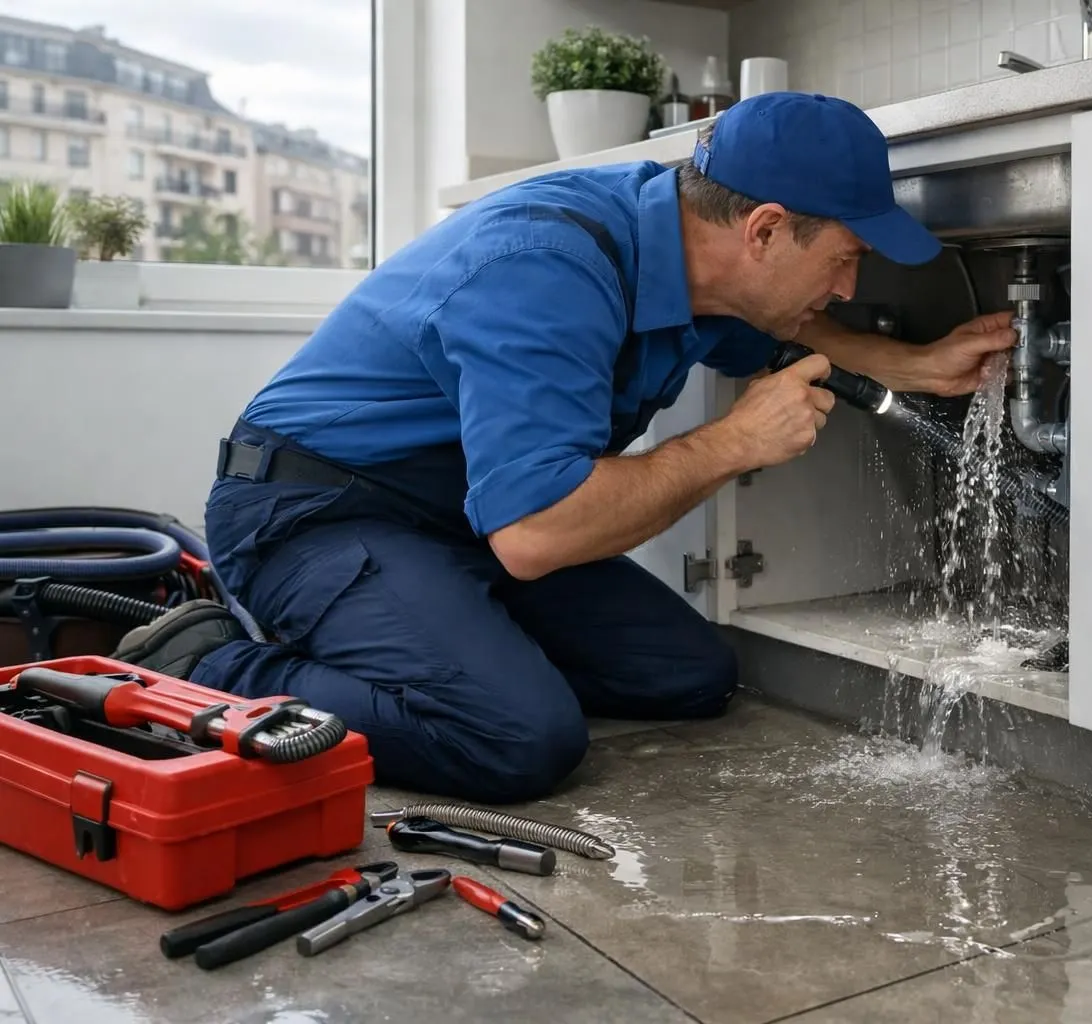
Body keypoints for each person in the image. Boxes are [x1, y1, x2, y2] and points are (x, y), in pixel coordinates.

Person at [112, 92, 1015, 802]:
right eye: (846, 256)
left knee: (691, 675)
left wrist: (917, 363)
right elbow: (538, 535)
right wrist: (733, 441)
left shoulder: (695, 264)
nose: (852, 285)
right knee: (516, 738)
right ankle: (211, 659)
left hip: (464, 514)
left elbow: (786, 333)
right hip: (318, 509)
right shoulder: (547, 268)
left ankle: (433, 635)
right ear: (766, 229)